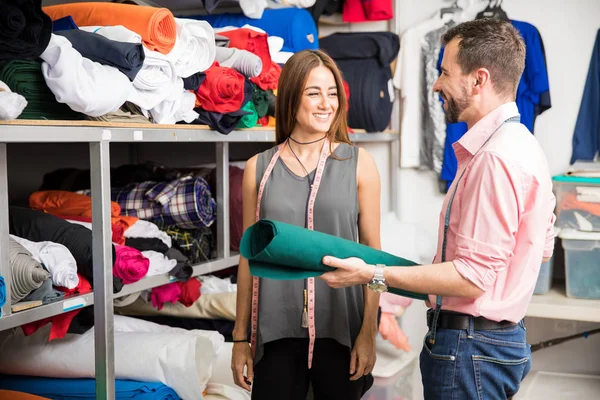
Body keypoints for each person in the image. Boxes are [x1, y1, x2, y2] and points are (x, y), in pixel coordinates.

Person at [319, 19, 556, 400]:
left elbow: (472, 277)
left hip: (471, 349)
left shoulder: (495, 159)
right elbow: (538, 249)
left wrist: (372, 274)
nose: (436, 84)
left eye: (445, 72)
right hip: (489, 345)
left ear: (479, 80)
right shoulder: (523, 147)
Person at [231, 49, 381, 400]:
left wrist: (368, 332)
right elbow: (247, 259)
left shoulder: (360, 164)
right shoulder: (258, 168)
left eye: (332, 94)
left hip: (341, 330)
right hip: (276, 332)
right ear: (291, 96)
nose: (326, 104)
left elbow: (376, 258)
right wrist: (240, 338)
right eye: (314, 93)